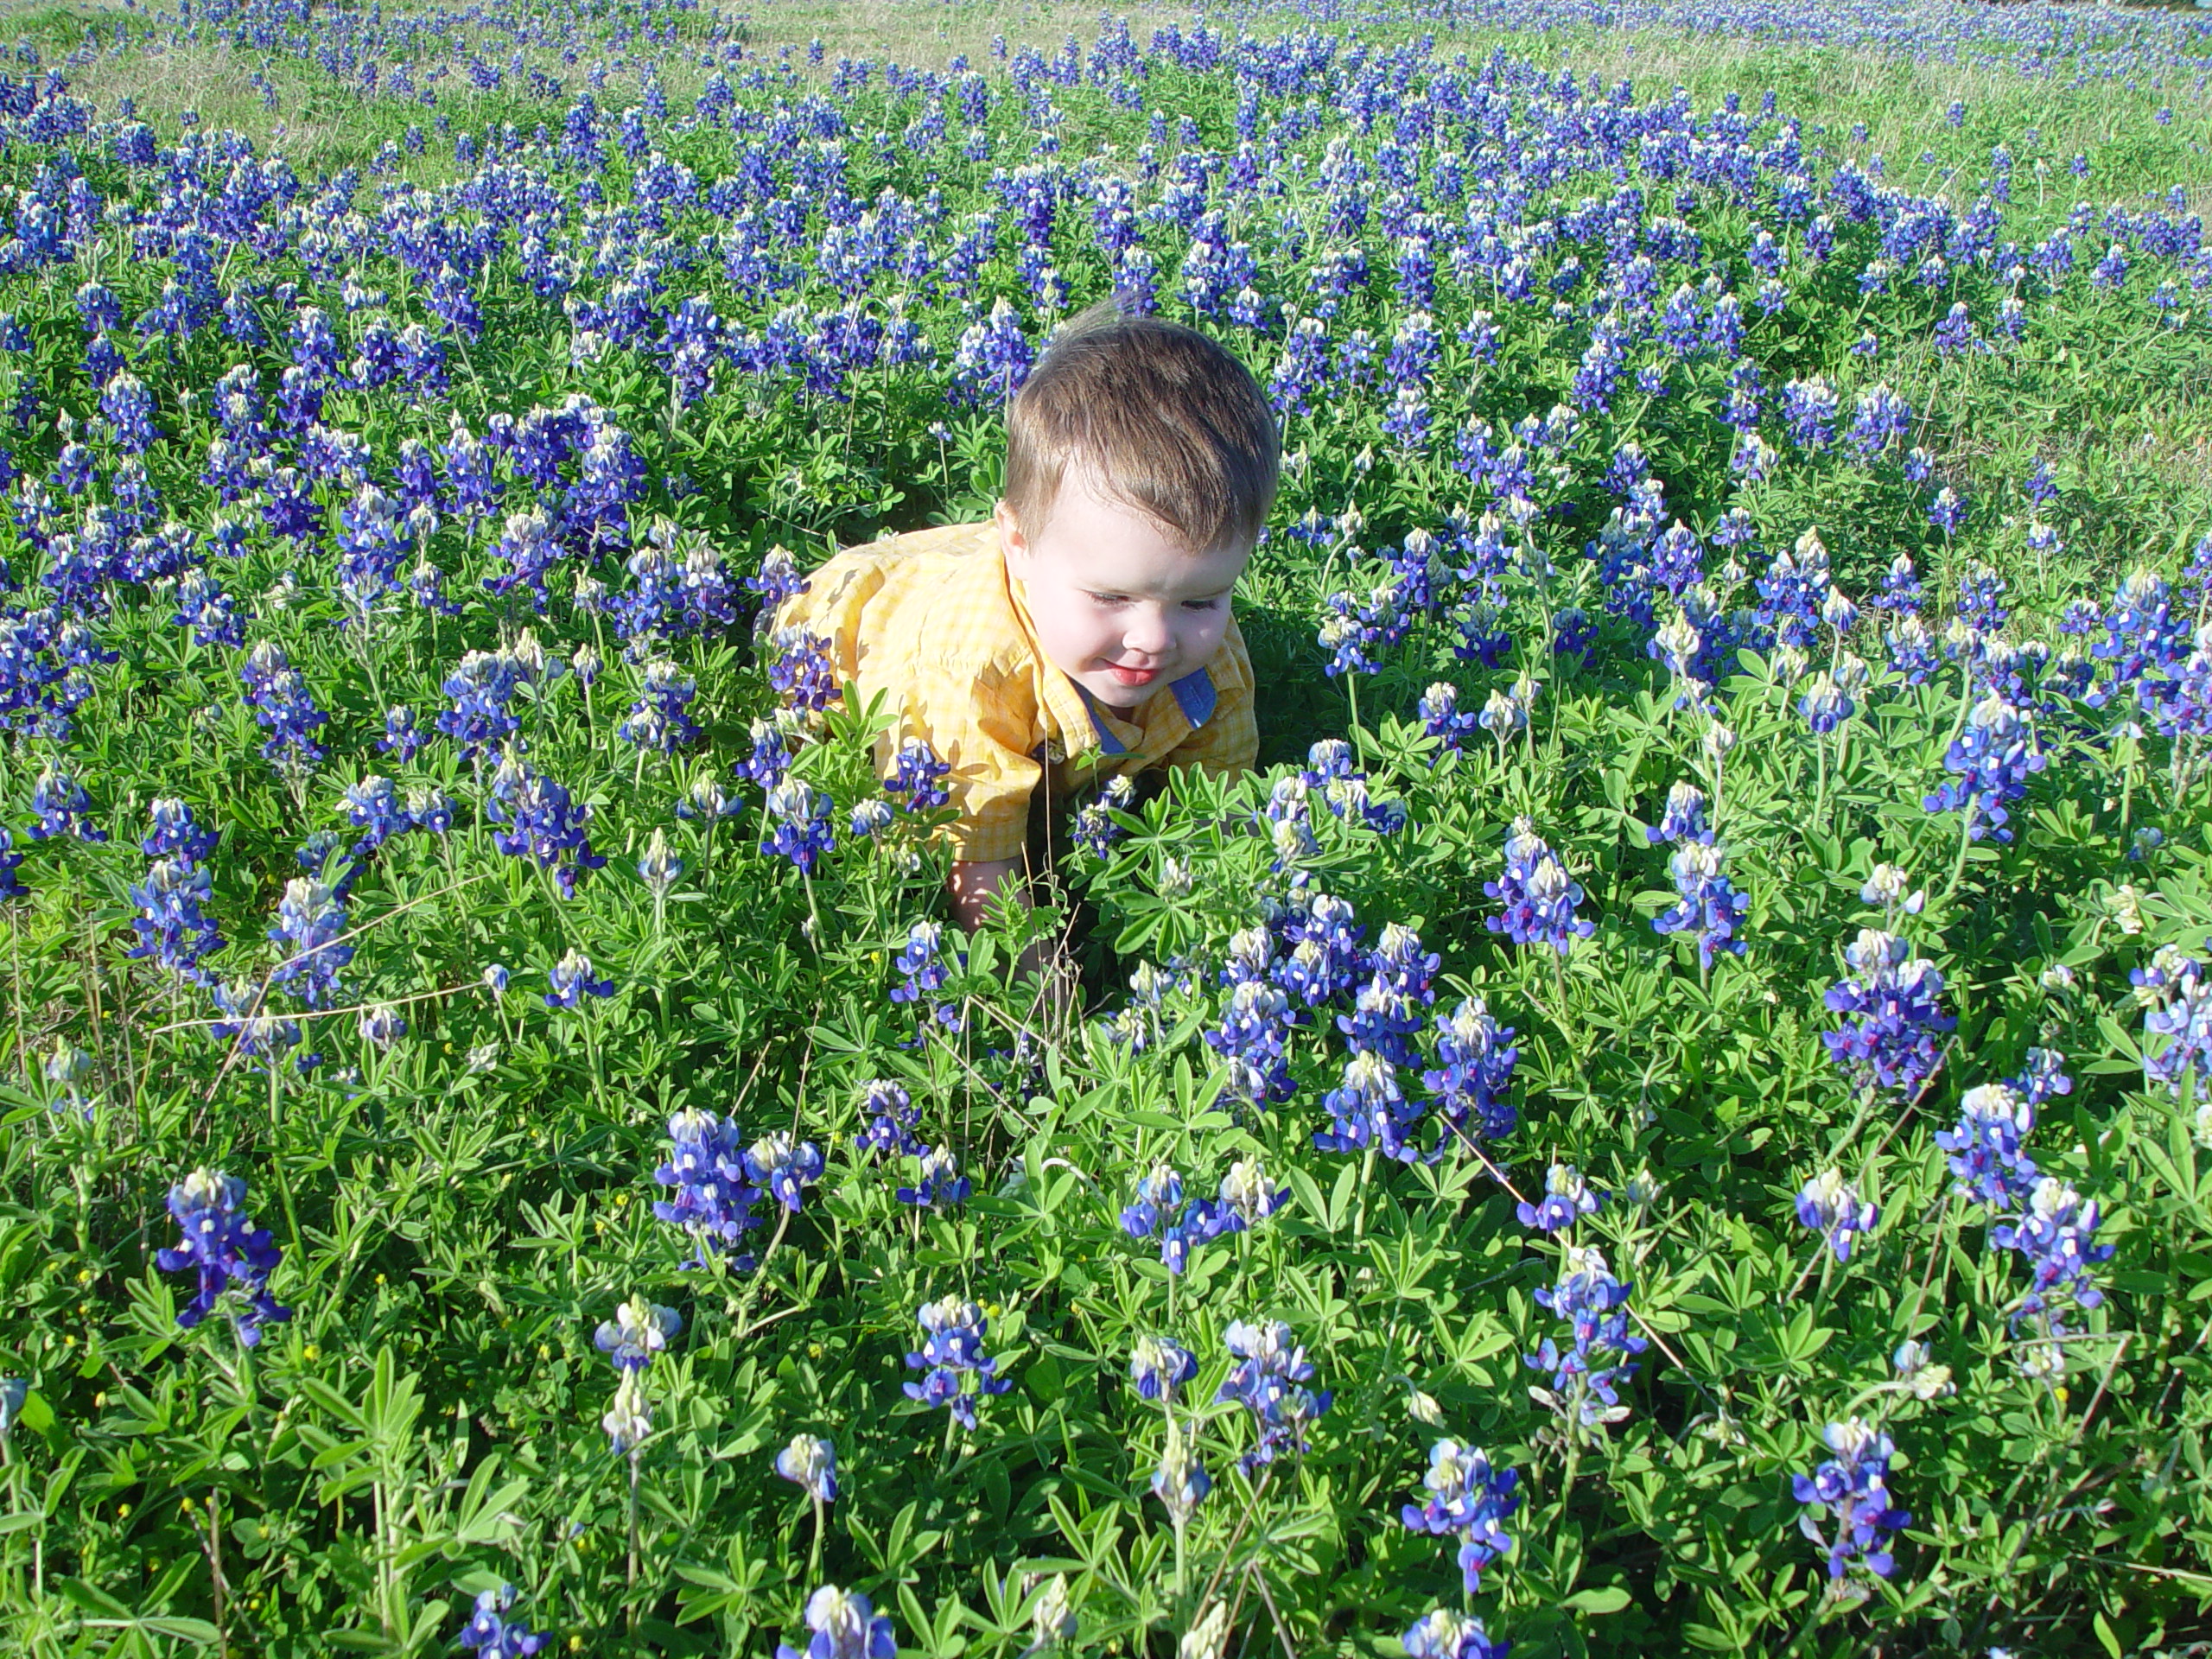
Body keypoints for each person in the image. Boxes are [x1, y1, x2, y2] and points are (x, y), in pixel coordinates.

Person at [772, 296, 1275, 950]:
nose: (1154, 637)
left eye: (1201, 600)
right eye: (1111, 595)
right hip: (846, 627)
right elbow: (976, 858)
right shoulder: (971, 676)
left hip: (1000, 577)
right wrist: (1042, 999)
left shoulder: (1210, 652)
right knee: (822, 732)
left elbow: (1222, 814)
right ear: (1020, 546)